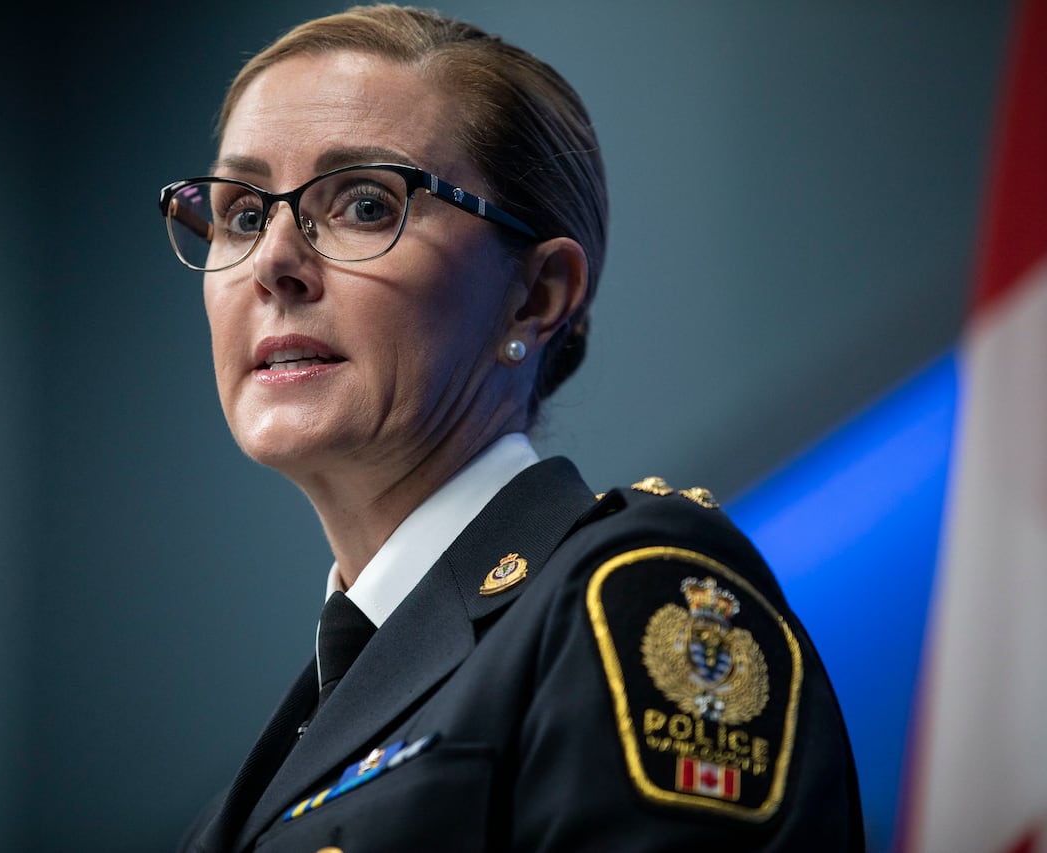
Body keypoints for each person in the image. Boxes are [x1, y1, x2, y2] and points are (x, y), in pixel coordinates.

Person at [160, 5, 864, 851]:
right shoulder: (266, 768)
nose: (273, 261)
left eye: (364, 204)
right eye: (242, 214)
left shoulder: (635, 597)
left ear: (534, 294)